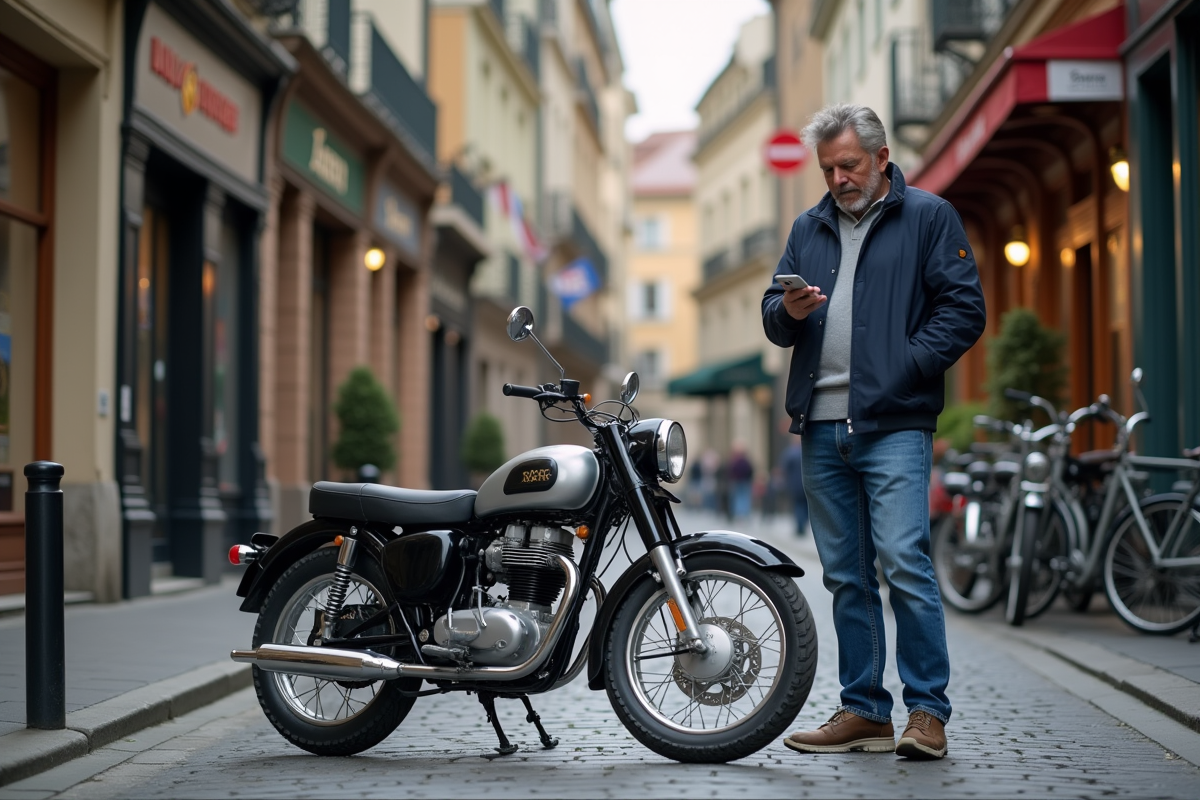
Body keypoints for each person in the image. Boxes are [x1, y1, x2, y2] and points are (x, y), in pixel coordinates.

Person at [761, 104, 985, 760]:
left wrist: (903, 369)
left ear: (882, 158)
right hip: (821, 427)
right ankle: (864, 710)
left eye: (849, 165)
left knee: (904, 563)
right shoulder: (809, 227)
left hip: (894, 424)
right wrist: (788, 310)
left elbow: (963, 310)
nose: (837, 178)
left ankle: (927, 714)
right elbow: (774, 319)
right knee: (847, 576)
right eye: (827, 167)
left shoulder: (929, 217)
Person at [780, 439, 808, 536]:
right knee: (805, 505)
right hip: (806, 483)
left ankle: (799, 526)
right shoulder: (805, 452)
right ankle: (803, 525)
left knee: (798, 505)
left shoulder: (789, 453)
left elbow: (784, 468)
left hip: (794, 484)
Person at [726, 442, 754, 520]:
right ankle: (742, 514)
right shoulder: (745, 461)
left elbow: (731, 471)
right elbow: (750, 470)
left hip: (739, 482)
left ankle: (740, 514)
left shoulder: (735, 461)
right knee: (743, 498)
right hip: (743, 482)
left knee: (739, 498)